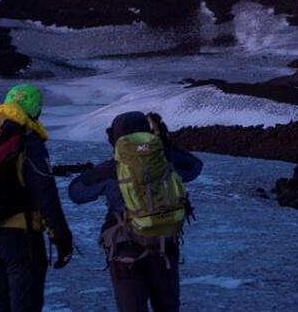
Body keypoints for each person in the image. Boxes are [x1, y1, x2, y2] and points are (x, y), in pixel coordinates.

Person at [69, 111, 203, 312]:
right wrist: (165, 146)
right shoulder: (166, 160)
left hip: (125, 249)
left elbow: (76, 193)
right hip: (164, 244)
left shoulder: (111, 169)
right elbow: (195, 167)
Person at [0, 84, 74, 312]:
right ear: (35, 109)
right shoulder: (28, 141)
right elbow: (45, 194)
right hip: (21, 237)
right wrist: (62, 237)